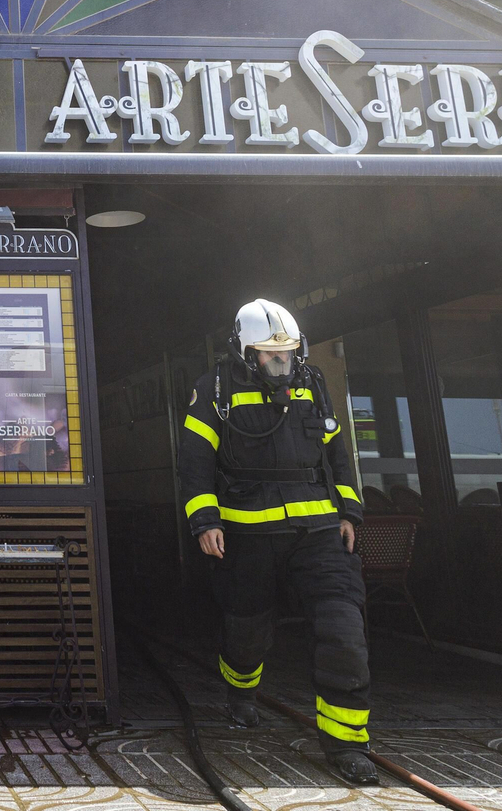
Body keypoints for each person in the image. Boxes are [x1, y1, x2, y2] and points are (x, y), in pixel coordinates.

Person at [178, 298, 377, 786]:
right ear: (246, 353)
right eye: (270, 354)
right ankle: (241, 693)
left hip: (319, 532)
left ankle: (347, 743)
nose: (280, 362)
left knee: (344, 629)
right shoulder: (214, 390)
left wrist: (349, 511)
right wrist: (205, 521)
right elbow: (195, 462)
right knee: (246, 634)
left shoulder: (312, 385)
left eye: (287, 352)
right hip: (247, 533)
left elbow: (338, 454)